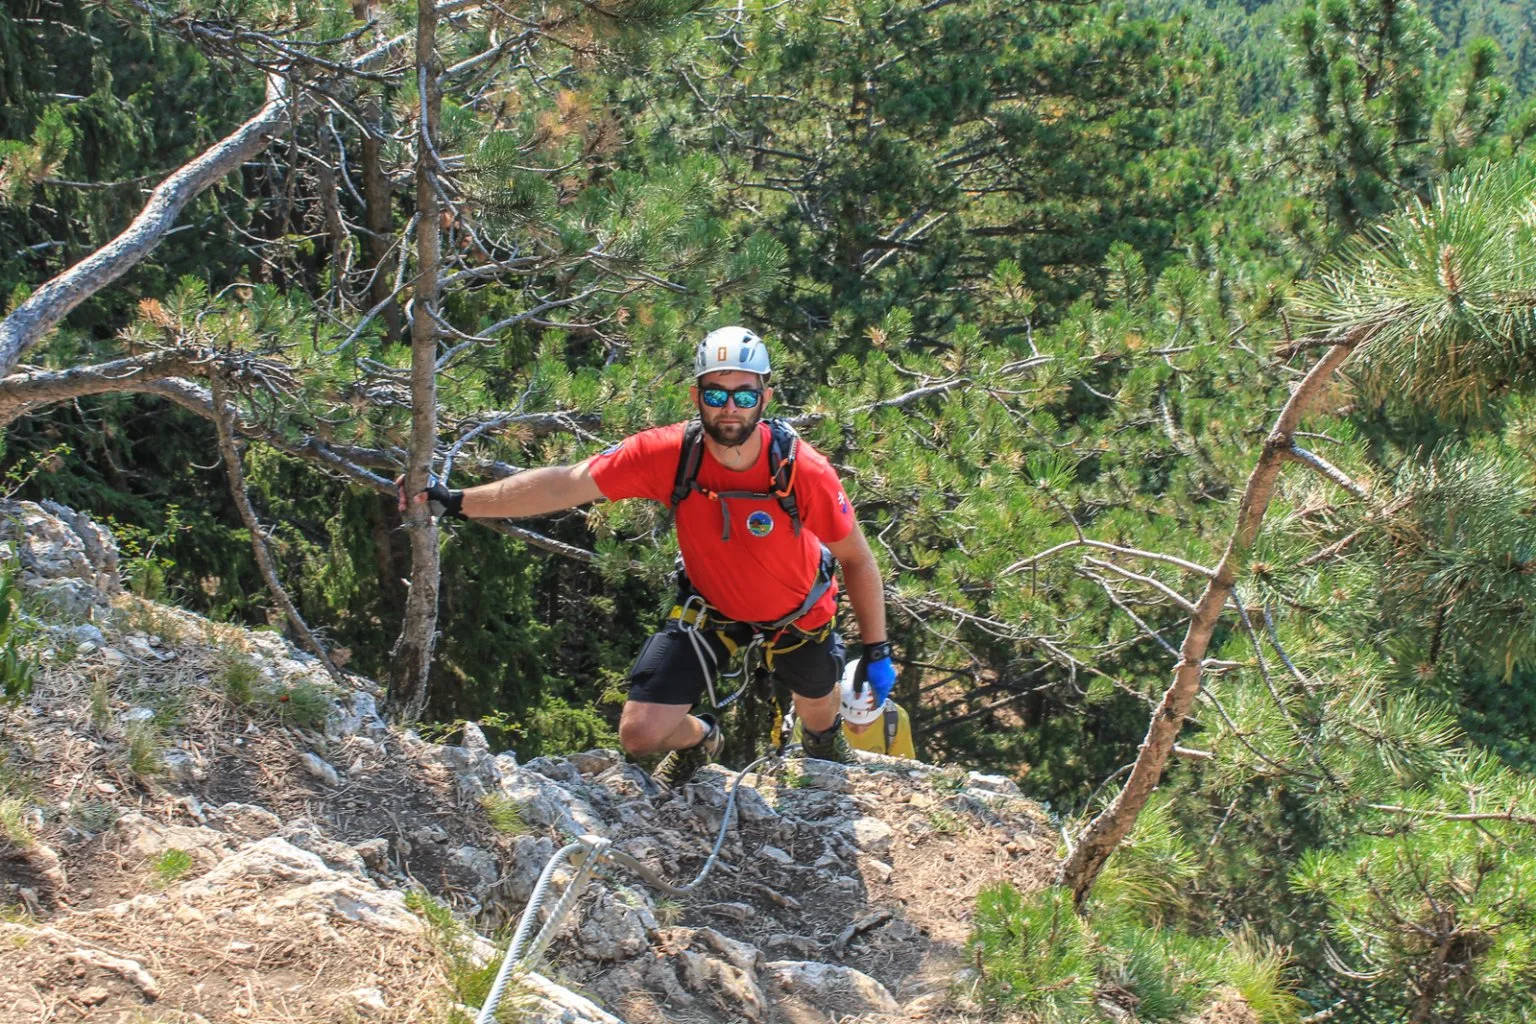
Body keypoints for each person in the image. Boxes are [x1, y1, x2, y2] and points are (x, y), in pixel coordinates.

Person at [401, 326, 896, 787]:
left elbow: (857, 559)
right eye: (716, 395)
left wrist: (876, 650)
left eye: (744, 396)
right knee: (639, 735)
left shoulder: (800, 470)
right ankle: (704, 739)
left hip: (799, 612)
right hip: (713, 606)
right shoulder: (669, 455)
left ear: (764, 398)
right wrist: (460, 501)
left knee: (817, 707)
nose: (730, 409)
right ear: (696, 397)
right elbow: (566, 483)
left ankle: (822, 744)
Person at [788, 658, 915, 759]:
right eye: (851, 723)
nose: (859, 731)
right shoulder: (814, 717)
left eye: (868, 724)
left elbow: (903, 766)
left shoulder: (895, 720)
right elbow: (797, 760)